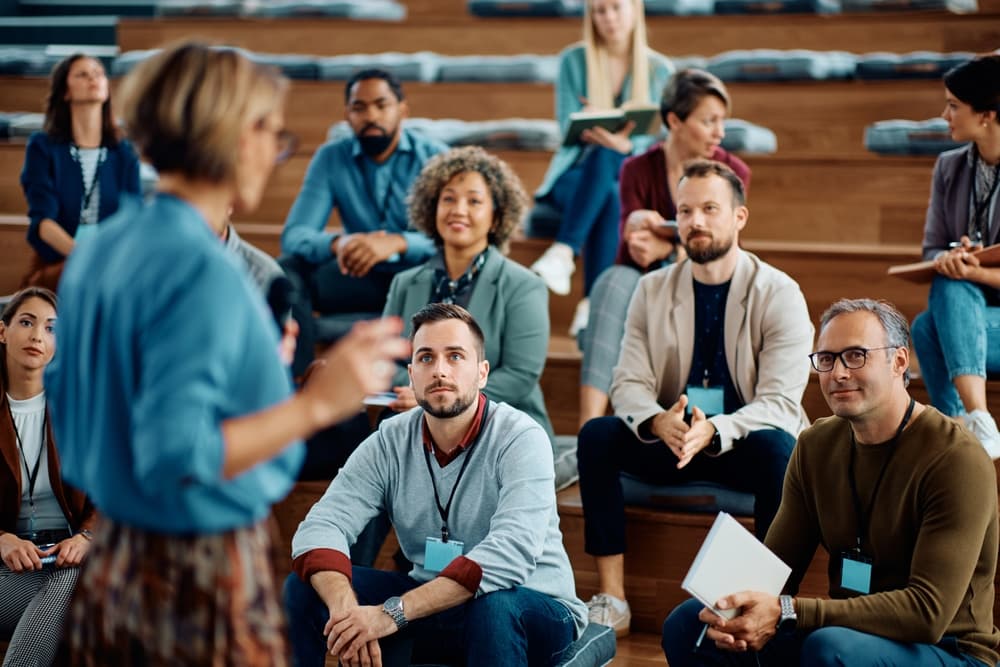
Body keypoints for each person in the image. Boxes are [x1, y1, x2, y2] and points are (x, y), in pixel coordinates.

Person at [44, 42, 409, 665]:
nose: (275, 151)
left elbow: (80, 426)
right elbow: (177, 453)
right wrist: (316, 405)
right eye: (272, 132)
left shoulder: (99, 249)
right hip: (196, 568)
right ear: (235, 134)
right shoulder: (205, 272)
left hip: (114, 560)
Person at [663, 298, 1000, 667]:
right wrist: (737, 610)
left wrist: (790, 611)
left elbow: (927, 614)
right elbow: (774, 572)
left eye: (856, 356)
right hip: (846, 635)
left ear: (899, 361)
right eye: (826, 359)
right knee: (690, 623)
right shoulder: (815, 445)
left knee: (830, 648)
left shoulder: (956, 458)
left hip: (948, 650)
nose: (838, 373)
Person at [576, 159, 813, 637]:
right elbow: (628, 382)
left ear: (739, 217)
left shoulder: (779, 292)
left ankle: (766, 606)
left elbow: (781, 403)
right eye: (684, 211)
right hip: (673, 439)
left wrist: (716, 429)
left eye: (709, 209)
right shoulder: (651, 289)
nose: (695, 221)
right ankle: (612, 598)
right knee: (596, 436)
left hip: (739, 441)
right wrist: (656, 421)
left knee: (780, 451)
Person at [283, 303, 588, 667]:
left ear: (482, 373)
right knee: (304, 587)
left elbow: (509, 554)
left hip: (531, 604)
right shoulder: (389, 441)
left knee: (494, 606)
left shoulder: (521, 438)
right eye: (426, 358)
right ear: (412, 374)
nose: (440, 370)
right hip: (432, 602)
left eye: (455, 356)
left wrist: (392, 613)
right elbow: (322, 525)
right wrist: (346, 610)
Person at [578, 68, 751, 427]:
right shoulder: (637, 168)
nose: (720, 132)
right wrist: (648, 238)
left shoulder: (733, 172)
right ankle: (587, 427)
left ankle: (704, 421)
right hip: (646, 278)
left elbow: (723, 248)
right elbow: (632, 251)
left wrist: (668, 248)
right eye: (709, 121)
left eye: (722, 121)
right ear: (674, 121)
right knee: (611, 282)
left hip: (707, 276)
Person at [280, 68, 448, 377]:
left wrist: (398, 242)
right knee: (287, 268)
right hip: (358, 273)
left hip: (418, 278)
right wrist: (339, 242)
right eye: (359, 107)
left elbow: (454, 238)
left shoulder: (434, 158)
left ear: (402, 111)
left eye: (381, 105)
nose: (370, 115)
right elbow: (295, 235)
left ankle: (415, 381)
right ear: (347, 115)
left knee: (448, 269)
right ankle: (298, 376)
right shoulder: (331, 157)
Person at [383, 146, 555, 443]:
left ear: (496, 217)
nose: (458, 210)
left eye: (474, 201)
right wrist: (420, 392)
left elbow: (520, 375)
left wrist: (443, 396)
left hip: (502, 428)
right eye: (448, 199)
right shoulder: (404, 282)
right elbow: (386, 359)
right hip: (418, 423)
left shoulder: (525, 285)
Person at [528, 0, 674, 334]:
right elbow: (566, 127)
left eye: (615, 8)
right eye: (599, 10)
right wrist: (596, 128)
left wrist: (628, 146)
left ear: (634, 9)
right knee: (607, 176)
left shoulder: (659, 70)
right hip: (575, 174)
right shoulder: (573, 61)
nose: (607, 17)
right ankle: (591, 303)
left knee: (611, 183)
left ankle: (563, 251)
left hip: (627, 177)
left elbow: (662, 141)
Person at [0, 287, 96, 667]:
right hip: (8, 568)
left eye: (51, 328)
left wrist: (86, 538)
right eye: (27, 322)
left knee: (71, 575)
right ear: (2, 331)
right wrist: (2, 539)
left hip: (73, 554)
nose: (38, 336)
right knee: (74, 592)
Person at [911, 54, 1000, 459]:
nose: (944, 115)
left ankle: (966, 422)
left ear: (986, 115)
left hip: (982, 314)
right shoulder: (949, 167)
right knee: (928, 320)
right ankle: (970, 424)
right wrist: (954, 256)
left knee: (928, 327)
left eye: (953, 105)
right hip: (966, 314)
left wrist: (973, 271)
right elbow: (932, 246)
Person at [19, 53, 141, 291]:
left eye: (98, 74)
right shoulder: (43, 146)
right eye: (82, 75)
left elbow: (132, 217)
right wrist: (86, 258)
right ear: (65, 91)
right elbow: (43, 223)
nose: (93, 79)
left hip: (111, 262)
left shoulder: (123, 151)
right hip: (60, 262)